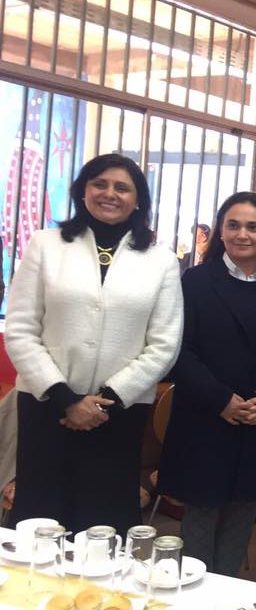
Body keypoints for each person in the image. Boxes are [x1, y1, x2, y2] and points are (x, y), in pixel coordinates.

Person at [5, 153, 183, 535]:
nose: (110, 194)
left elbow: (164, 344)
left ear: (138, 199)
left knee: (105, 523)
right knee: (40, 518)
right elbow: (21, 329)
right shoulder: (45, 245)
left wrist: (106, 400)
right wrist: (67, 399)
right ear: (82, 190)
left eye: (122, 187)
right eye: (99, 184)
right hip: (47, 408)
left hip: (118, 413)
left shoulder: (160, 261)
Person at [158, 192, 256, 576]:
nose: (243, 234)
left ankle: (226, 598)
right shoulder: (194, 282)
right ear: (221, 232)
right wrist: (221, 400)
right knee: (201, 517)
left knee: (243, 512)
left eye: (253, 227)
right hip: (204, 420)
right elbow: (179, 349)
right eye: (233, 225)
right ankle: (191, 599)